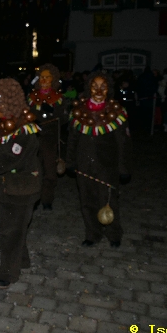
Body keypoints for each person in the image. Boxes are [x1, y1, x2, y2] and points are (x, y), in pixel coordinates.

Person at [0, 78, 41, 289]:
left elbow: (7, 160)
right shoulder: (1, 127)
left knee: (9, 232)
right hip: (7, 187)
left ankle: (8, 273)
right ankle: (22, 260)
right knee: (15, 228)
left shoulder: (24, 132)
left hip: (21, 189)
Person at [66, 72, 132, 248]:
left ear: (108, 89)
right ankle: (92, 233)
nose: (98, 90)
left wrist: (123, 168)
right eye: (94, 86)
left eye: (103, 86)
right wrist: (70, 161)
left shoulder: (115, 111)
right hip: (84, 164)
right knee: (87, 201)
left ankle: (113, 233)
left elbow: (123, 143)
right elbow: (72, 139)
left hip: (107, 165)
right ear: (89, 88)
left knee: (108, 200)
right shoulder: (79, 111)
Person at [28, 64, 67, 210]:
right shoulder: (32, 97)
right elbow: (26, 115)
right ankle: (33, 198)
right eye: (42, 77)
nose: (44, 80)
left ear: (53, 79)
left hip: (50, 138)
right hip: (35, 138)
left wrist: (53, 112)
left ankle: (47, 199)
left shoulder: (59, 98)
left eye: (47, 77)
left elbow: (64, 119)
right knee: (34, 170)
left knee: (50, 171)